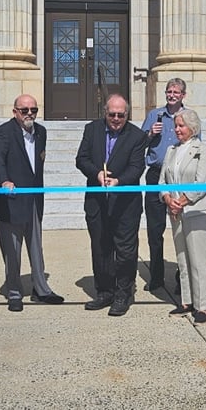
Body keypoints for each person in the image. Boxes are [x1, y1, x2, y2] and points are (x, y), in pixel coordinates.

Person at [0, 94, 64, 312]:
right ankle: (14, 292)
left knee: (36, 246)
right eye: (24, 110)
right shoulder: (4, 132)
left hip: (33, 199)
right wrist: (3, 180)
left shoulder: (41, 132)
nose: (29, 114)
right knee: (12, 250)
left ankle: (41, 290)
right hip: (11, 200)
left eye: (33, 110)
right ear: (15, 112)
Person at [75, 94, 147, 316]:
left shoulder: (136, 136)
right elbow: (81, 159)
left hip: (125, 204)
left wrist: (118, 181)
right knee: (101, 248)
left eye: (121, 115)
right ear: (105, 113)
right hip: (97, 202)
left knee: (125, 251)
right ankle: (104, 291)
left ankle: (123, 293)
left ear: (127, 115)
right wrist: (96, 173)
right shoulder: (92, 130)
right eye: (112, 114)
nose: (116, 119)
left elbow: (137, 167)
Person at [159, 109, 206, 324]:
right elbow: (163, 180)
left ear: (192, 127)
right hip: (175, 212)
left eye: (181, 125)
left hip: (196, 211)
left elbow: (201, 183)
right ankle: (186, 301)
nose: (177, 129)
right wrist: (167, 199)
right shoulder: (171, 150)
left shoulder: (203, 150)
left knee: (198, 259)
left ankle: (202, 306)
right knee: (182, 257)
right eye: (176, 125)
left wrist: (181, 201)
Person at [140, 78, 189, 293]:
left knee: (182, 229)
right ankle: (157, 276)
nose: (171, 95)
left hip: (178, 177)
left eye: (176, 92)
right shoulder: (154, 115)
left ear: (183, 95)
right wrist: (151, 133)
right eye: (169, 91)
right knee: (155, 229)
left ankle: (183, 277)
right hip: (155, 175)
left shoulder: (188, 117)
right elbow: (139, 143)